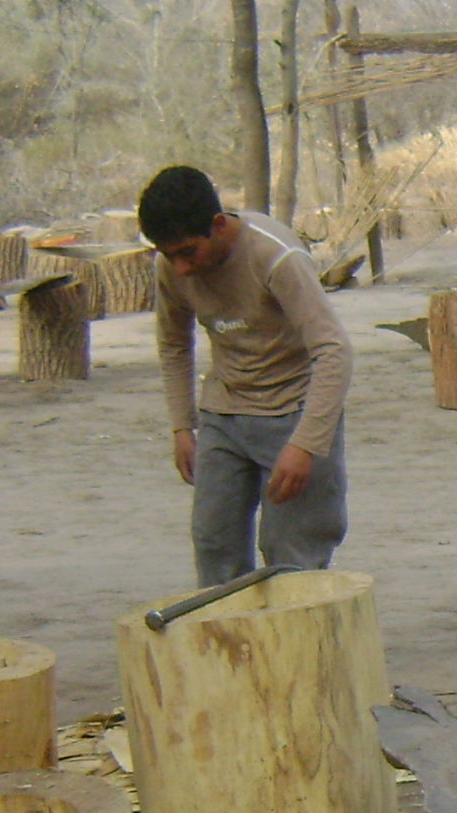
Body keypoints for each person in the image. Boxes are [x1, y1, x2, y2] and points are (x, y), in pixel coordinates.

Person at [137, 164, 352, 587]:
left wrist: (306, 445)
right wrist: (182, 426)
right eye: (169, 255)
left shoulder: (276, 258)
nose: (180, 268)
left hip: (295, 413)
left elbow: (334, 352)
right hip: (225, 412)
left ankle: (294, 650)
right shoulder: (171, 268)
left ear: (218, 225)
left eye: (187, 253)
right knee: (213, 545)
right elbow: (174, 344)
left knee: (292, 559)